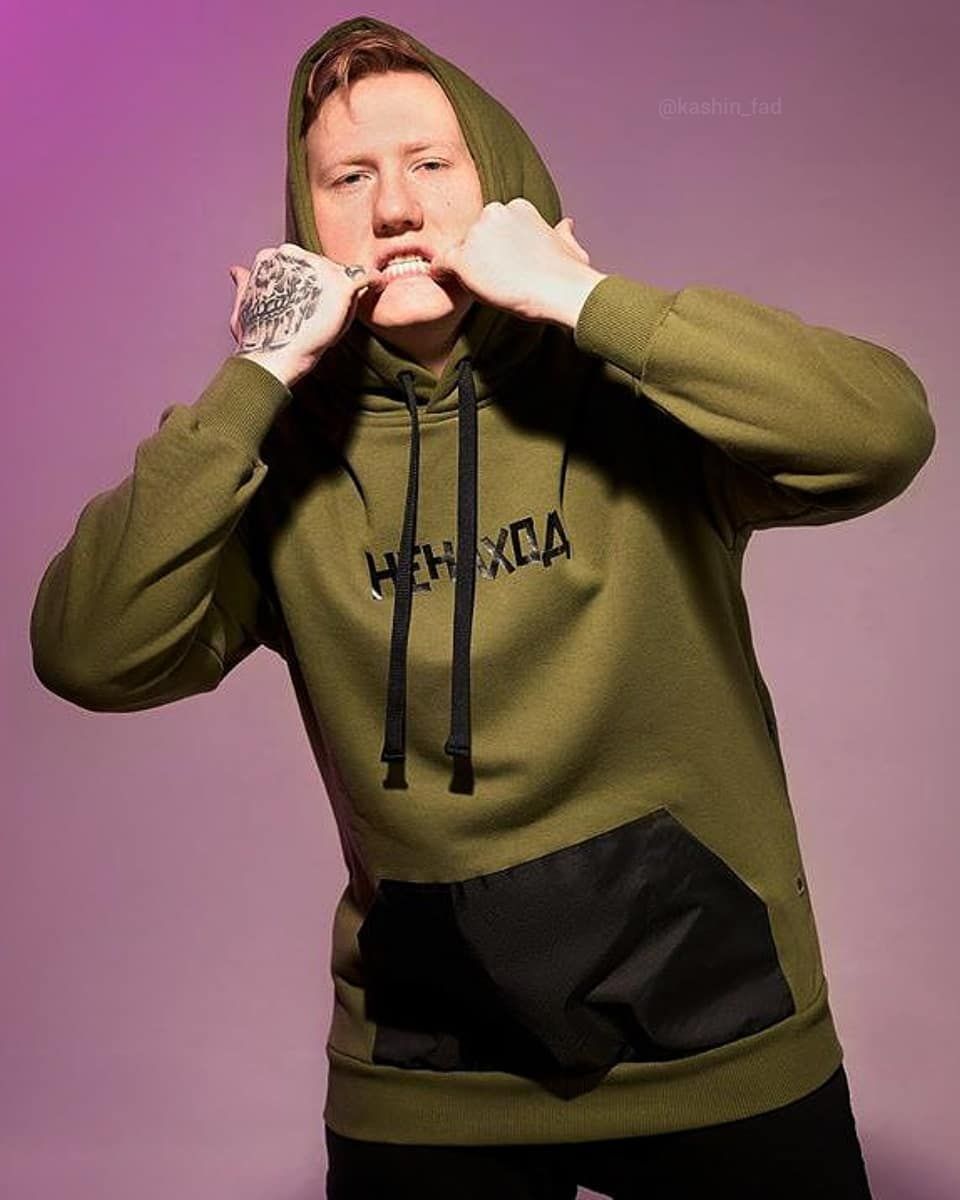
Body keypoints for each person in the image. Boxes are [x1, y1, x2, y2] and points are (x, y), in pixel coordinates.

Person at [29, 15, 935, 1199]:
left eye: (430, 163)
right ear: (307, 221)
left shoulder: (637, 396)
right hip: (430, 1073)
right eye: (349, 178)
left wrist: (582, 296)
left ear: (501, 185)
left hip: (718, 1039)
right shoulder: (273, 459)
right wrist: (254, 379)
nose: (395, 208)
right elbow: (88, 651)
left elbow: (882, 432)